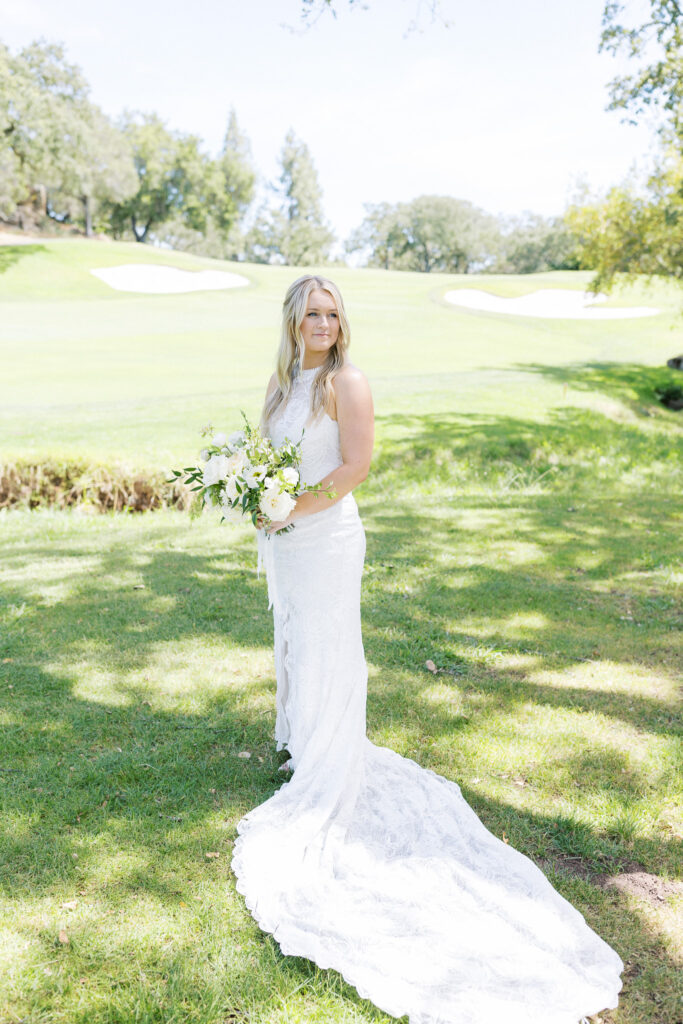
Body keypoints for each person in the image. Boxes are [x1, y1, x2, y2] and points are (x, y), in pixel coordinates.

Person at [231, 274, 624, 1024]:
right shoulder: (282, 384)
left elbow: (353, 468)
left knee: (326, 643)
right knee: (293, 641)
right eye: (309, 313)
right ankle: (302, 741)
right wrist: (256, 499)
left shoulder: (348, 381)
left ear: (343, 322)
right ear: (292, 321)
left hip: (325, 537)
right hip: (285, 536)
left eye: (331, 312)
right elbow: (263, 458)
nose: (320, 322)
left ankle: (327, 759)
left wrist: (289, 511)